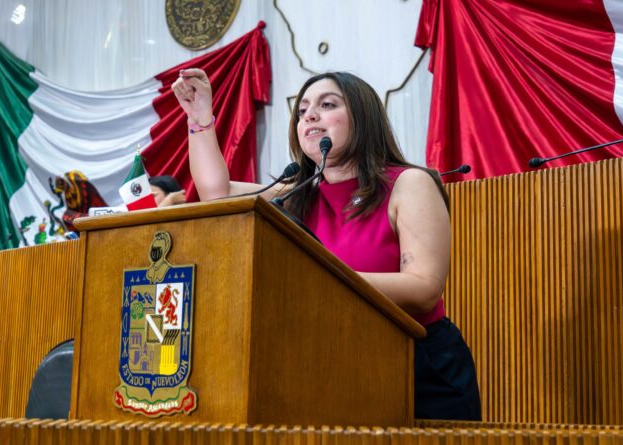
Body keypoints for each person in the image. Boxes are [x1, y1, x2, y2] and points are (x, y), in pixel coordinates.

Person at [172, 68, 481, 420]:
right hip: (338, 364)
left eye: (327, 104)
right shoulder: (300, 193)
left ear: (362, 118)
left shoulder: (408, 183)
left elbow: (424, 288)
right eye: (302, 110)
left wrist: (319, 280)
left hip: (419, 367)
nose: (310, 115)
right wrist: (199, 118)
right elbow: (216, 194)